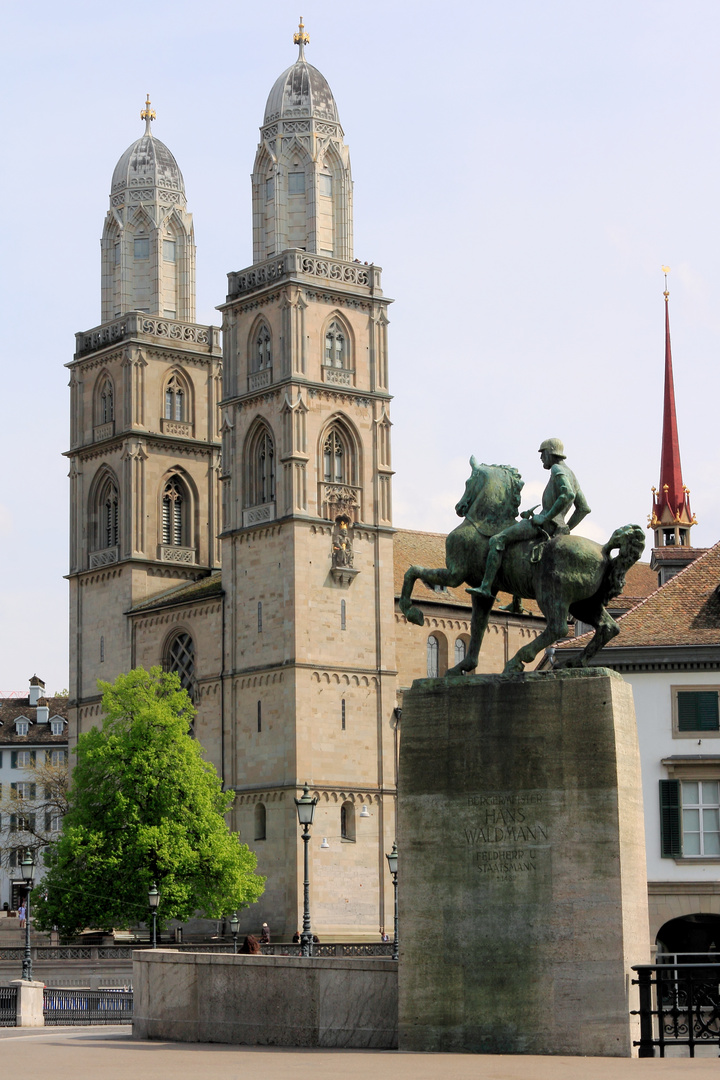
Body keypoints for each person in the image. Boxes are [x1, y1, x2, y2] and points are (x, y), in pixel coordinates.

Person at [470, 438, 591, 600]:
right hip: (556, 527)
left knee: (497, 540)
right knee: (519, 548)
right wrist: (566, 527)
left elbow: (567, 494)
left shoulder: (557, 469)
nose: (541, 458)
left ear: (550, 453)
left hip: (546, 525)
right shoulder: (572, 475)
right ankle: (516, 603)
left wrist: (546, 518)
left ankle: (485, 587)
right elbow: (583, 508)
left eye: (542, 453)